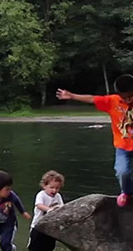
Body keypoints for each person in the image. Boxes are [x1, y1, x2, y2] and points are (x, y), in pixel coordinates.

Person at [56, 75, 133, 207]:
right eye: (124, 97)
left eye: (130, 97)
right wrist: (72, 96)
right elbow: (92, 98)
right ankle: (127, 192)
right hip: (123, 146)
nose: (127, 100)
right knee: (122, 172)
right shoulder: (112, 101)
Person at [28, 171, 65, 251]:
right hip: (38, 225)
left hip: (50, 227)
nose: (54, 190)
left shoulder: (58, 196)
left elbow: (62, 207)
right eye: (52, 187)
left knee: (49, 244)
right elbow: (39, 205)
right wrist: (49, 209)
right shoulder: (41, 195)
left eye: (57, 188)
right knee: (35, 244)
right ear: (45, 186)